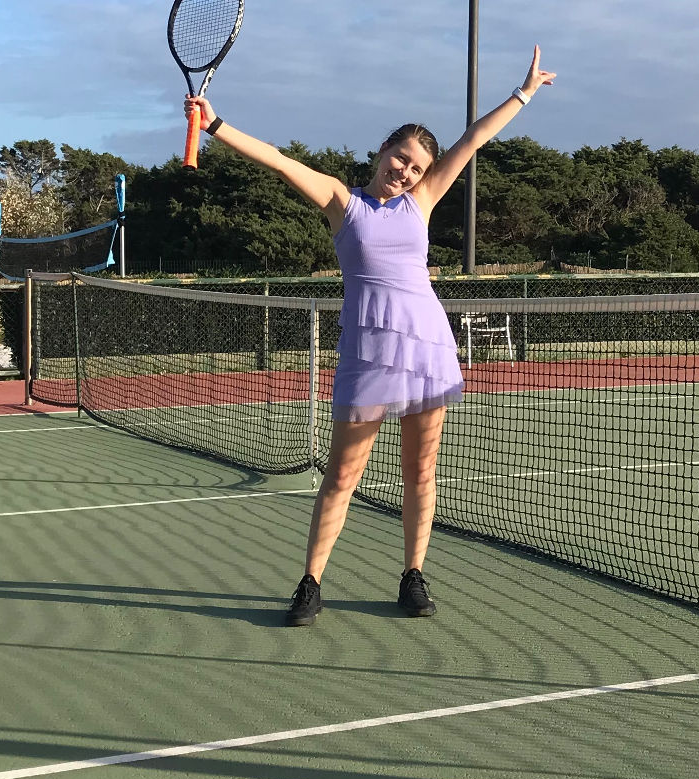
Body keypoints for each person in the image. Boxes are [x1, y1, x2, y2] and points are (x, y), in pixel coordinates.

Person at [183, 47, 556, 625]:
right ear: (381, 152)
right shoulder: (342, 202)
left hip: (427, 350)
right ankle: (310, 582)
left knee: (420, 472)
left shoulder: (423, 202)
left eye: (414, 167)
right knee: (341, 476)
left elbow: (473, 140)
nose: (404, 171)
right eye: (399, 158)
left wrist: (524, 92)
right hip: (367, 355)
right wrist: (217, 126)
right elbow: (281, 163)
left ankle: (413, 574)